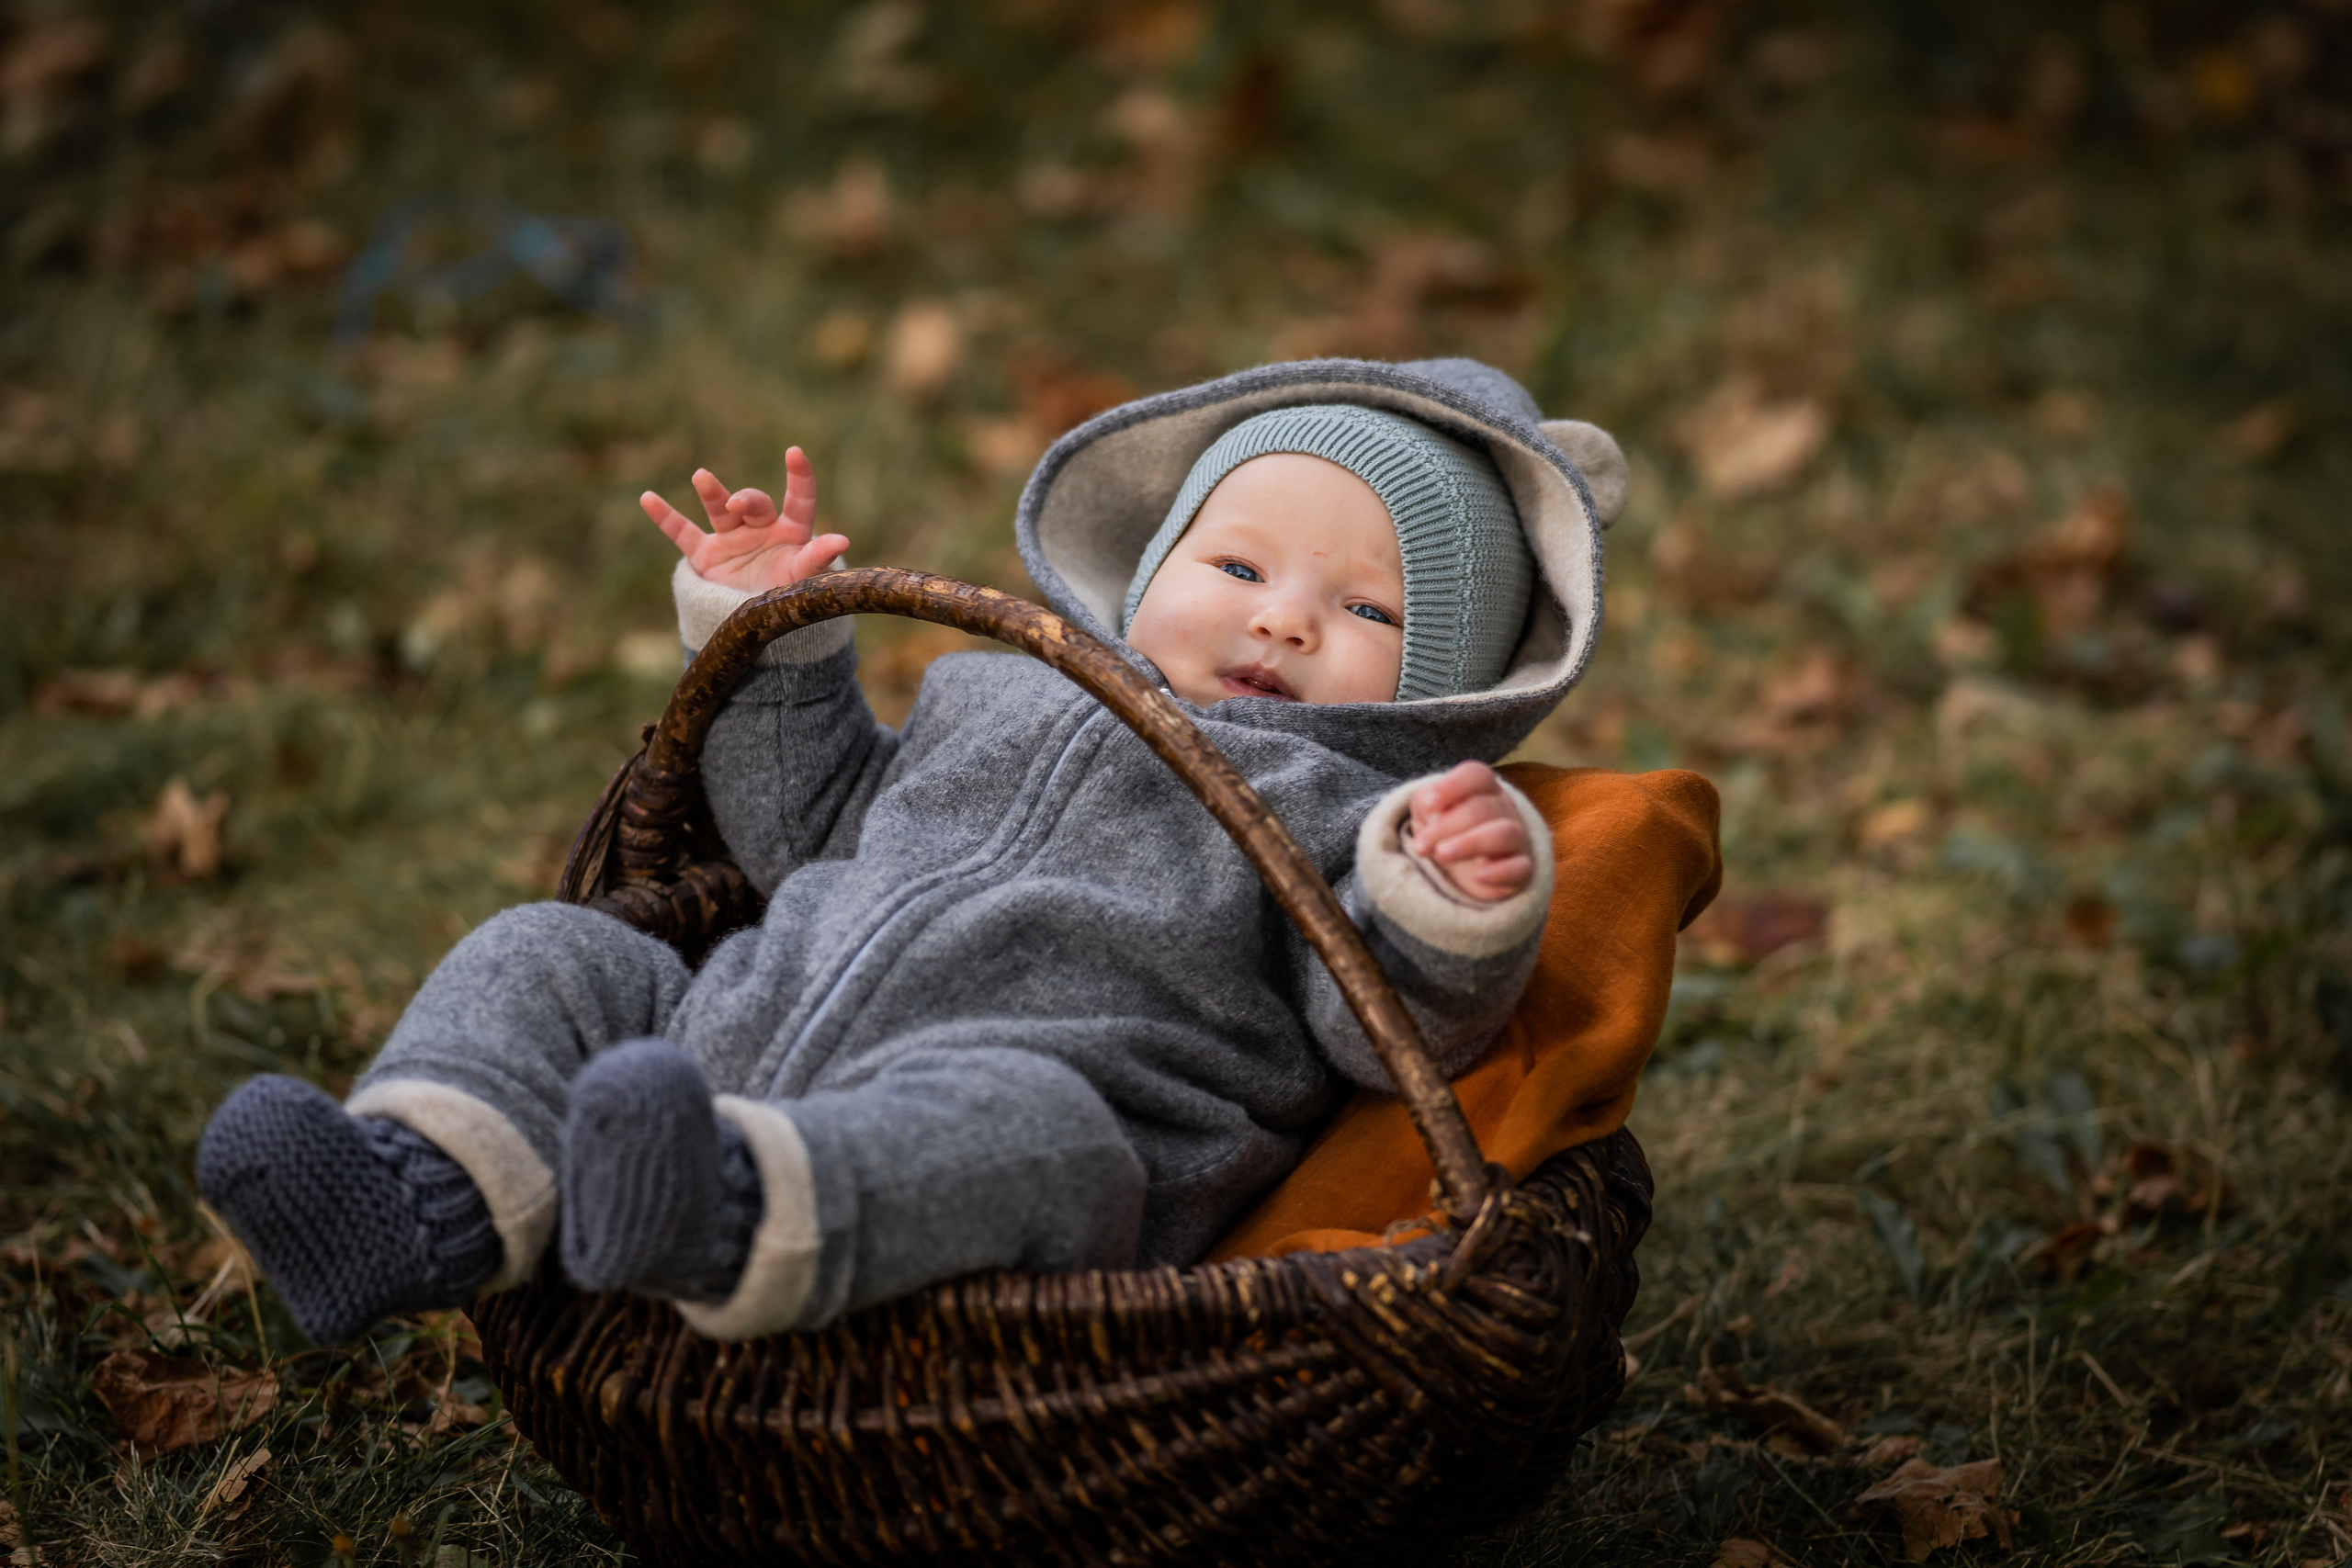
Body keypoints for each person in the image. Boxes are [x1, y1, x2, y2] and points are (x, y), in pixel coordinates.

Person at [196, 356, 1626, 1345]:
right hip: (729, 1036)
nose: (1282, 619)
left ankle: (729, 1214)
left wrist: (1445, 900)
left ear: (1434, 694)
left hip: (1063, 1146)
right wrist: (769, 640)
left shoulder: (1342, 813)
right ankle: (419, 1193)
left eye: (1370, 612)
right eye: (1239, 566)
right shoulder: (998, 688)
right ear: (1150, 571)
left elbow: (1378, 1030)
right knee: (558, 953)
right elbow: (813, 827)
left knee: (1020, 1124)